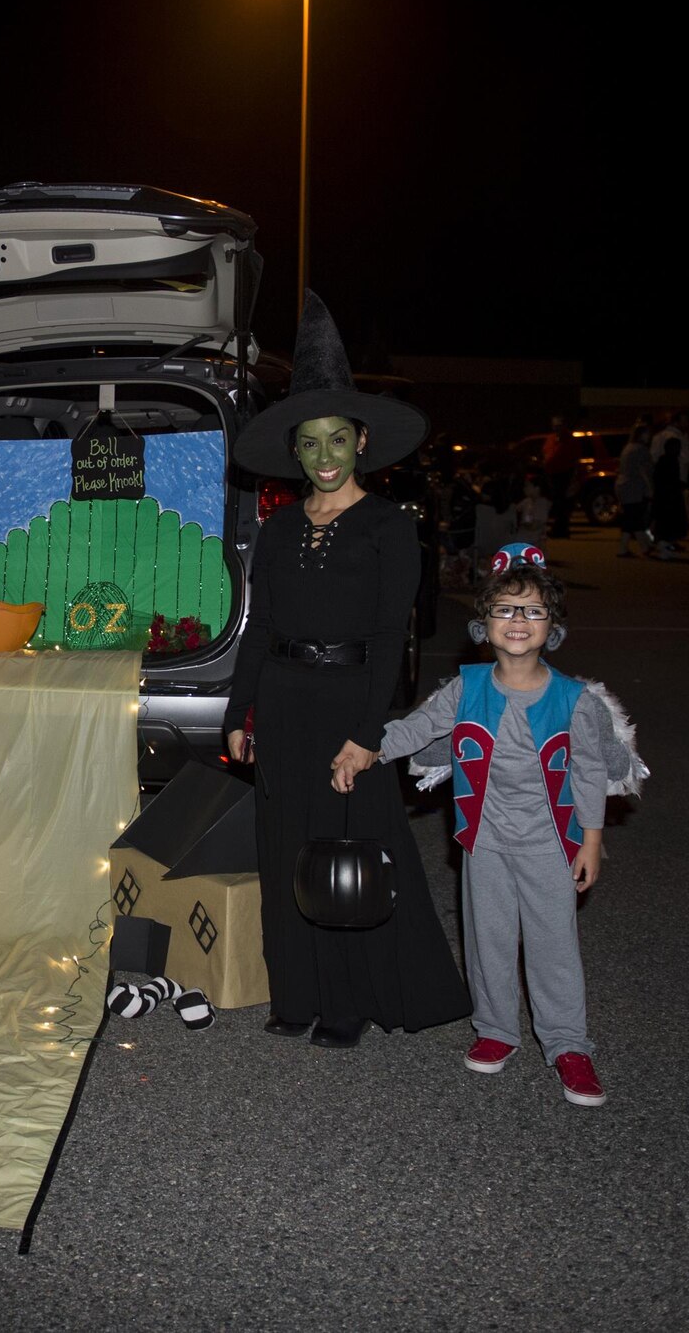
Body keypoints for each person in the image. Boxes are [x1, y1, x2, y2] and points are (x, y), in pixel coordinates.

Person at [220, 292, 469, 1049]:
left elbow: (392, 637)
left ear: (361, 440)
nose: (324, 456)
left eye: (337, 439)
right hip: (282, 704)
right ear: (293, 451)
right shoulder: (278, 528)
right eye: (309, 444)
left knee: (346, 860)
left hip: (347, 707)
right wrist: (237, 713)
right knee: (285, 852)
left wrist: (369, 736)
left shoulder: (389, 527)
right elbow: (260, 628)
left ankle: (348, 1001)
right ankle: (296, 993)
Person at [346, 555, 647, 1106]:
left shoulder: (573, 700)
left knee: (553, 945)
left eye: (532, 611)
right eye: (505, 609)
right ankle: (496, 1029)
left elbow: (588, 773)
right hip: (483, 841)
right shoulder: (467, 688)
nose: (518, 620)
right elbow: (418, 727)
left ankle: (568, 1043)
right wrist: (368, 750)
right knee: (488, 940)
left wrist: (592, 841)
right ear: (482, 624)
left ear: (553, 629)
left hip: (551, 844)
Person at [615, 422, 655, 557]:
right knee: (634, 517)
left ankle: (636, 547)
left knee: (631, 517)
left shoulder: (628, 448)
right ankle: (642, 546)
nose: (649, 436)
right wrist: (650, 487)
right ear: (641, 435)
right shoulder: (640, 449)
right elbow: (643, 470)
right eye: (647, 434)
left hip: (623, 485)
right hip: (633, 487)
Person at [650, 435, 689, 552]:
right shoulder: (669, 460)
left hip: (668, 495)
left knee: (671, 520)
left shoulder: (668, 459)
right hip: (668, 496)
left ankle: (670, 542)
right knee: (668, 521)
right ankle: (664, 544)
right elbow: (667, 479)